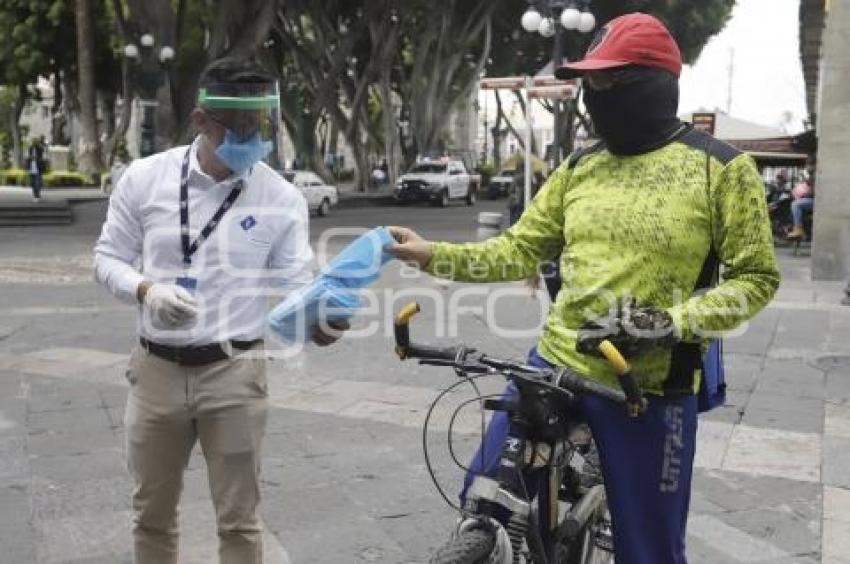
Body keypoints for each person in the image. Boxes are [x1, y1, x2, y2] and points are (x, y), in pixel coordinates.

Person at [387, 13, 779, 563]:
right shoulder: (580, 165)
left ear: (655, 84)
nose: (595, 95)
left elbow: (755, 279)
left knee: (650, 550)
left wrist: (670, 322)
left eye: (610, 81)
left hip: (647, 389)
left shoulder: (723, 170)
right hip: (553, 363)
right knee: (483, 499)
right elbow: (519, 250)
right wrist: (432, 254)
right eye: (590, 82)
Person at [94, 56, 347, 564]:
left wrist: (321, 320)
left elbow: (296, 283)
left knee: (239, 520)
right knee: (152, 513)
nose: (251, 140)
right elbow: (107, 259)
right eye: (237, 128)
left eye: (259, 127)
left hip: (235, 371)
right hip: (156, 372)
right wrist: (147, 291)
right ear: (201, 121)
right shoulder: (145, 180)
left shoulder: (280, 197)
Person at [787, 157, 816, 240]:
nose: (807, 167)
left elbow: (816, 191)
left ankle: (798, 228)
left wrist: (805, 194)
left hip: (820, 201)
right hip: (814, 199)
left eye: (809, 165)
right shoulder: (812, 175)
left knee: (796, 204)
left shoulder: (816, 175)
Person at [25, 136, 48, 202]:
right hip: (32, 167)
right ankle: (34, 194)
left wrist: (37, 158)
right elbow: (27, 157)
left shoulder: (40, 148)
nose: (34, 142)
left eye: (35, 141)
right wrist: (30, 158)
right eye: (33, 141)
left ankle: (37, 196)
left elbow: (43, 157)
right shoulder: (30, 148)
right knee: (32, 182)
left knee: (37, 182)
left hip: (38, 167)